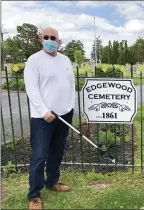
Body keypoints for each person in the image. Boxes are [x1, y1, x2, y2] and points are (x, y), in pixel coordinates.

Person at [24, 27, 75, 210]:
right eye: (46, 37)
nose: (50, 40)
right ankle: (34, 195)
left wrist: (70, 107)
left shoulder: (65, 60)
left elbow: (71, 85)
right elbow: (32, 89)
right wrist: (44, 111)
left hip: (64, 115)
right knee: (39, 156)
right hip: (42, 118)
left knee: (57, 152)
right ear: (41, 39)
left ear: (59, 41)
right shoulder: (34, 60)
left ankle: (52, 182)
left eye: (53, 37)